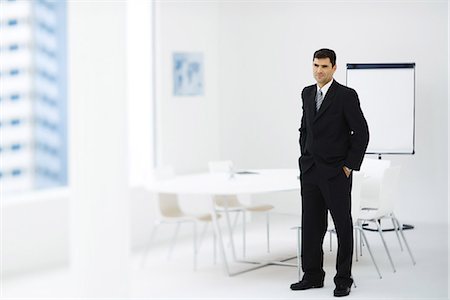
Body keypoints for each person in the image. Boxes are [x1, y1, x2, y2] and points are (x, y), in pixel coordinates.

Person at [290, 48, 369, 297]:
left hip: (336, 172)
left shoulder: (346, 95)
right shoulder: (306, 93)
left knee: (343, 226)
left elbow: (362, 133)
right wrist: (304, 157)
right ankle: (312, 275)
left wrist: (348, 166)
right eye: (315, 65)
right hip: (311, 171)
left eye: (324, 66)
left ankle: (343, 278)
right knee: (311, 226)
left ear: (334, 67)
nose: (319, 71)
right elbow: (305, 128)